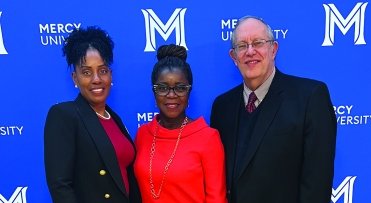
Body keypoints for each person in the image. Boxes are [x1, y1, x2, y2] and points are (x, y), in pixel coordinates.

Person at [210, 16, 337, 203]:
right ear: (234, 57)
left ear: (273, 49)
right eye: (242, 46)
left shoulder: (310, 97)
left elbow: (317, 183)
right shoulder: (222, 106)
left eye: (258, 43)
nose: (250, 51)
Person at [44, 26, 140, 203]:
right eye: (87, 72)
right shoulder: (64, 116)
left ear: (110, 75)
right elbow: (60, 186)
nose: (96, 79)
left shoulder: (114, 119)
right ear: (75, 78)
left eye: (102, 70)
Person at [134, 44, 227, 203]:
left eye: (180, 88)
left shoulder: (208, 137)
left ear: (189, 91)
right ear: (154, 92)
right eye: (163, 88)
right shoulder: (143, 134)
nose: (171, 95)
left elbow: (217, 199)